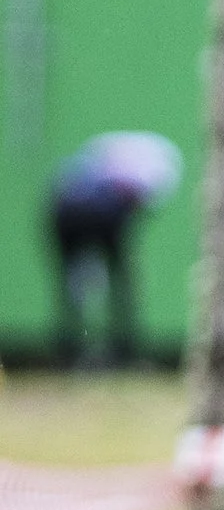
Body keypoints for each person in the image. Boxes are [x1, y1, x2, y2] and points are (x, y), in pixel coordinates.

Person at [47, 130, 182, 369]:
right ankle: (120, 349)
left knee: (72, 283)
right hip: (96, 215)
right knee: (120, 282)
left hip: (65, 209)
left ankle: (72, 350)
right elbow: (137, 207)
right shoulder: (161, 163)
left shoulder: (110, 153)